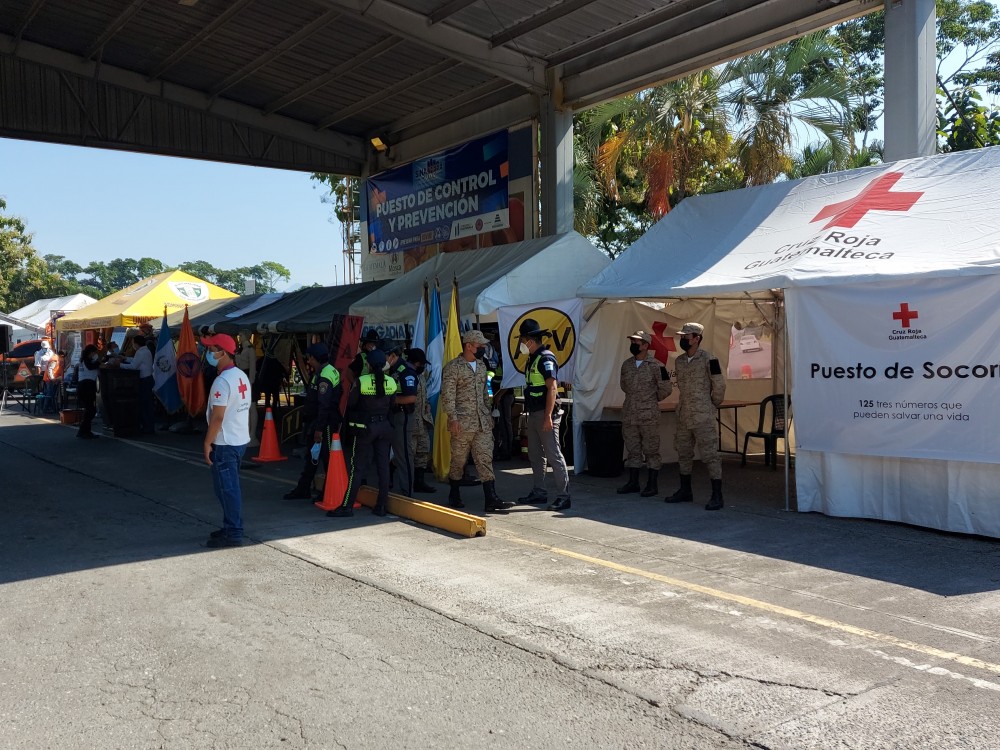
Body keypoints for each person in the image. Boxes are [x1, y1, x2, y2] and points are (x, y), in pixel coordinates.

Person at [440, 329, 513, 514]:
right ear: (469, 345)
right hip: (462, 423)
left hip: (482, 423)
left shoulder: (481, 367)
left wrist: (488, 414)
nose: (482, 348)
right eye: (479, 345)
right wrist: (453, 418)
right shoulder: (453, 367)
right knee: (458, 461)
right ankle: (454, 493)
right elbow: (447, 395)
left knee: (484, 459)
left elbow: (484, 393)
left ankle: (491, 499)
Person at [327, 348, 397, 518]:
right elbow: (392, 406)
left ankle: (347, 506)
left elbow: (351, 403)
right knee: (383, 467)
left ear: (368, 365)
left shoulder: (362, 381)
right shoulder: (391, 382)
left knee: (357, 467)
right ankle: (382, 506)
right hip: (385, 428)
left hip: (366, 428)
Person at [665, 322, 727, 511]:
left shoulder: (710, 359)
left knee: (710, 455)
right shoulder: (680, 361)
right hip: (684, 414)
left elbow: (720, 386)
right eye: (682, 336)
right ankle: (685, 490)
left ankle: (717, 495)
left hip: (702, 416)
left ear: (697, 338)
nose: (682, 340)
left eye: (686, 337)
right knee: (684, 453)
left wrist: (711, 404)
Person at [201, 333, 252, 547]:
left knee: (227, 489)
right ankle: (230, 525)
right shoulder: (240, 376)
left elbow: (218, 416)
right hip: (239, 439)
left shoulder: (222, 381)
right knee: (228, 487)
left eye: (211, 350)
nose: (208, 353)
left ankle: (234, 532)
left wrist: (207, 442)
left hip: (225, 443)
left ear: (222, 353)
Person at [516, 318, 571, 511]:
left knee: (553, 454)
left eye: (523, 339)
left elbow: (552, 388)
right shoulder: (533, 358)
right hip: (533, 412)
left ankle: (564, 496)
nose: (521, 344)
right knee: (535, 454)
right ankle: (539, 492)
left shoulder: (546, 358)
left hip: (546, 414)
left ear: (530, 339)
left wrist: (548, 416)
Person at [284, 343, 343, 500]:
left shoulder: (325, 376)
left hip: (324, 424)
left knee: (327, 458)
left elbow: (324, 405)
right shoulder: (324, 371)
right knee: (312, 457)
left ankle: (328, 492)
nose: (308, 361)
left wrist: (319, 429)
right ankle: (303, 489)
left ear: (315, 358)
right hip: (318, 422)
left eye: (309, 358)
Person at [618, 330, 672, 497]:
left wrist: (648, 400)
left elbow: (666, 388)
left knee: (651, 450)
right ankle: (633, 482)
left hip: (648, 415)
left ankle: (652, 484)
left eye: (637, 342)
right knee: (633, 449)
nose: (633, 345)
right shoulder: (626, 365)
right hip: (630, 414)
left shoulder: (657, 366)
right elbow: (623, 386)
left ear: (646, 345)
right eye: (632, 341)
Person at [386, 346, 419, 496]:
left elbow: (411, 397)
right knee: (390, 455)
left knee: (404, 455)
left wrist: (390, 400)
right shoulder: (391, 370)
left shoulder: (406, 371)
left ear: (392, 355)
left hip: (402, 416)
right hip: (391, 416)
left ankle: (407, 492)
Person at [404, 348, 436, 493]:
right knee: (407, 453)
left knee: (423, 452)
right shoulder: (404, 375)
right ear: (415, 363)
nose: (422, 366)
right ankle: (400, 481)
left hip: (422, 421)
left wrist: (427, 407)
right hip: (409, 421)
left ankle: (419, 481)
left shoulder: (420, 376)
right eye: (420, 363)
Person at [120, 333, 155, 434]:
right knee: (147, 404)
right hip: (148, 379)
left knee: (144, 404)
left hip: (144, 380)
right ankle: (149, 426)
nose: (132, 345)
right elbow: (136, 361)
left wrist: (120, 364)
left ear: (136, 343)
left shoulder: (140, 352)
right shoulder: (145, 350)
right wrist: (125, 359)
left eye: (133, 343)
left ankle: (147, 427)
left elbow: (134, 366)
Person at [233, 329, 259, 446]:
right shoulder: (240, 349)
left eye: (241, 334)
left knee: (252, 407)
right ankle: (245, 433)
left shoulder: (250, 350)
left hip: (249, 379)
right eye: (239, 334)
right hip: (240, 378)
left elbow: (253, 368)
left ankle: (252, 434)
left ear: (248, 335)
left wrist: (251, 382)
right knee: (244, 408)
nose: (239, 336)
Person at [76, 344, 101, 439]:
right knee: (90, 410)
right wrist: (99, 363)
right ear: (90, 353)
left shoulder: (86, 360)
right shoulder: (86, 360)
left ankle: (85, 431)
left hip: (86, 386)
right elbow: (91, 367)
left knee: (90, 410)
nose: (95, 354)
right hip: (86, 386)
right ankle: (83, 431)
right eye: (94, 352)